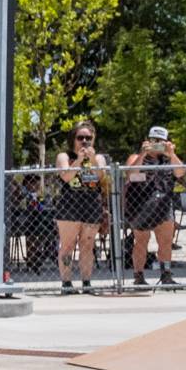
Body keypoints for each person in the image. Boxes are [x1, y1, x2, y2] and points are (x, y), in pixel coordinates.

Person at [122, 126, 186, 286]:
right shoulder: (136, 157)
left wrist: (171, 154)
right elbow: (131, 174)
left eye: (160, 141)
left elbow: (180, 173)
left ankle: (166, 274)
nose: (157, 144)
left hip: (163, 205)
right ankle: (139, 276)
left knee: (165, 241)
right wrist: (143, 153)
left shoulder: (169, 159)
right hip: (140, 206)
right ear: (147, 140)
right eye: (154, 141)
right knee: (141, 242)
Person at [51, 123, 108, 293]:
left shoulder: (98, 158)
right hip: (69, 205)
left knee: (88, 245)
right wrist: (78, 160)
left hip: (91, 205)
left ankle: (86, 282)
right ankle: (66, 283)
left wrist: (90, 159)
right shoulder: (64, 156)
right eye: (80, 138)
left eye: (88, 138)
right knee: (67, 245)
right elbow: (66, 177)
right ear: (73, 139)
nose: (84, 141)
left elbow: (100, 176)